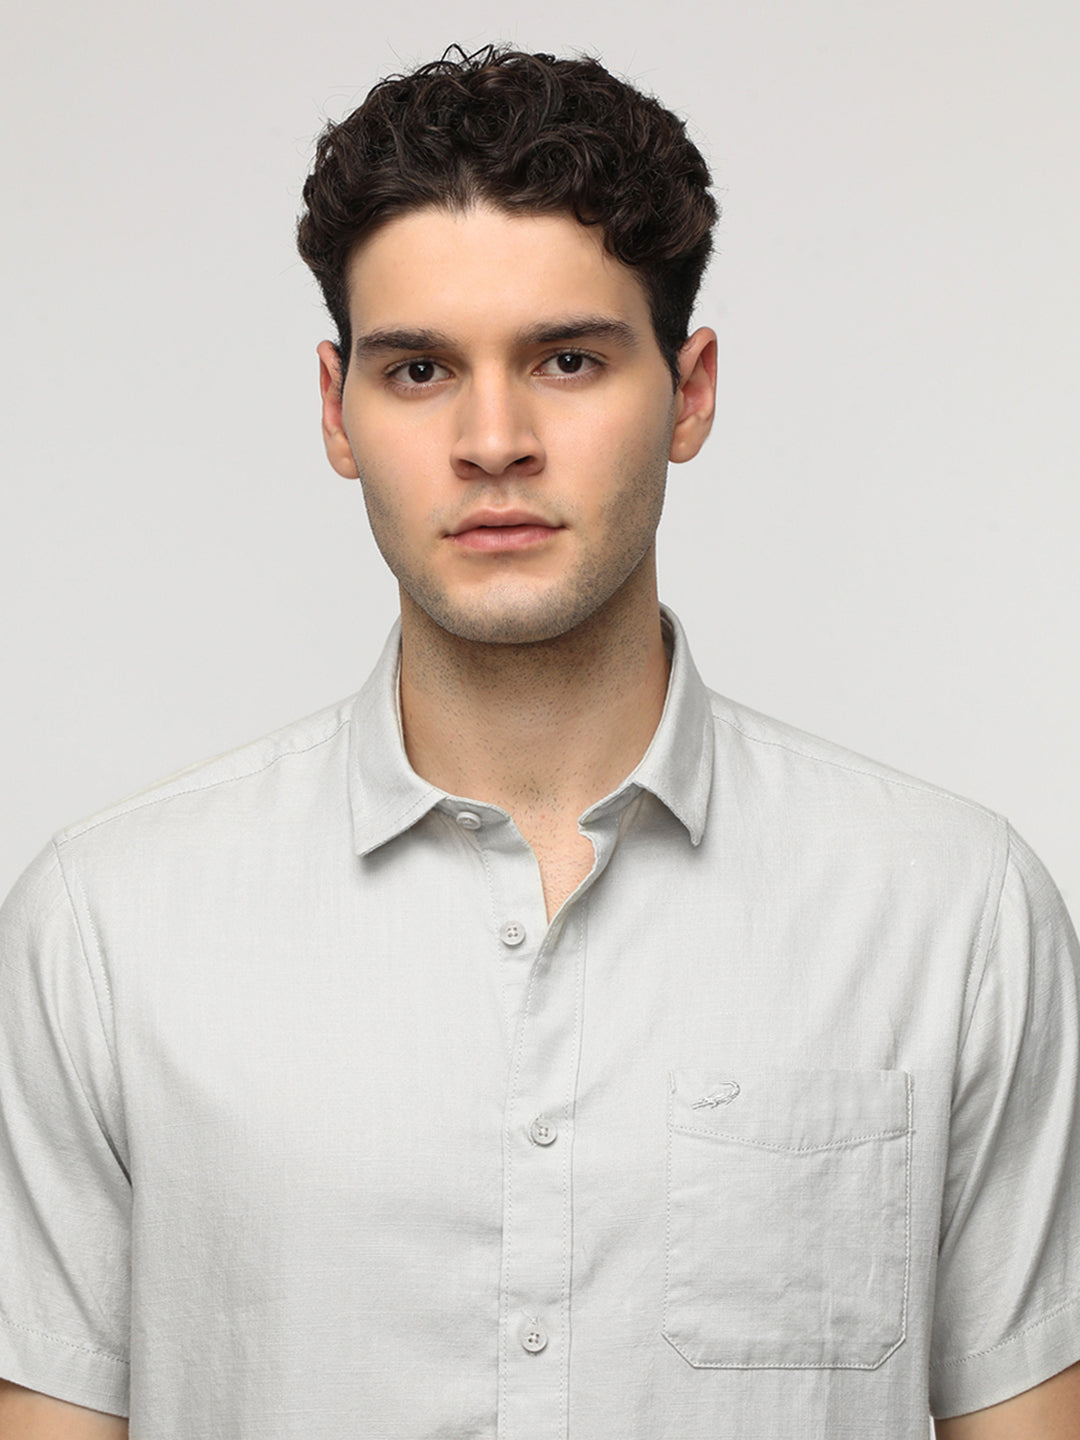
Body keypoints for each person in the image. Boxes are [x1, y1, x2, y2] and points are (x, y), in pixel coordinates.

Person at [1, 42, 1078, 1440]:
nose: (494, 438)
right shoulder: (107, 931)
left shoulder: (952, 915)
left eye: (568, 360)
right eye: (419, 369)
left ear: (690, 391)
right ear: (335, 410)